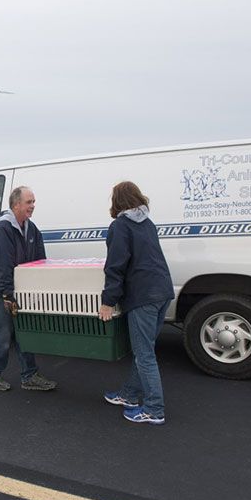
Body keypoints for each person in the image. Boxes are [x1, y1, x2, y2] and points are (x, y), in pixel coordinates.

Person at [99, 181, 174, 426]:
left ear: (117, 201)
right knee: (145, 349)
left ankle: (154, 409)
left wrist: (108, 302)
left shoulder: (120, 226)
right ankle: (129, 395)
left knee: (144, 354)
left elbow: (116, 266)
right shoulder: (147, 224)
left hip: (143, 295)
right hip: (162, 291)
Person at [0, 186, 56, 392]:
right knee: (2, 336)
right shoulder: (2, 229)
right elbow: (4, 265)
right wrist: (7, 294)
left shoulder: (32, 229)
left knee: (25, 333)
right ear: (16, 205)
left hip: (19, 291)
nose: (33, 206)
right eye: (29, 202)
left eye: (33, 202)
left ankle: (29, 376)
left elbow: (40, 260)